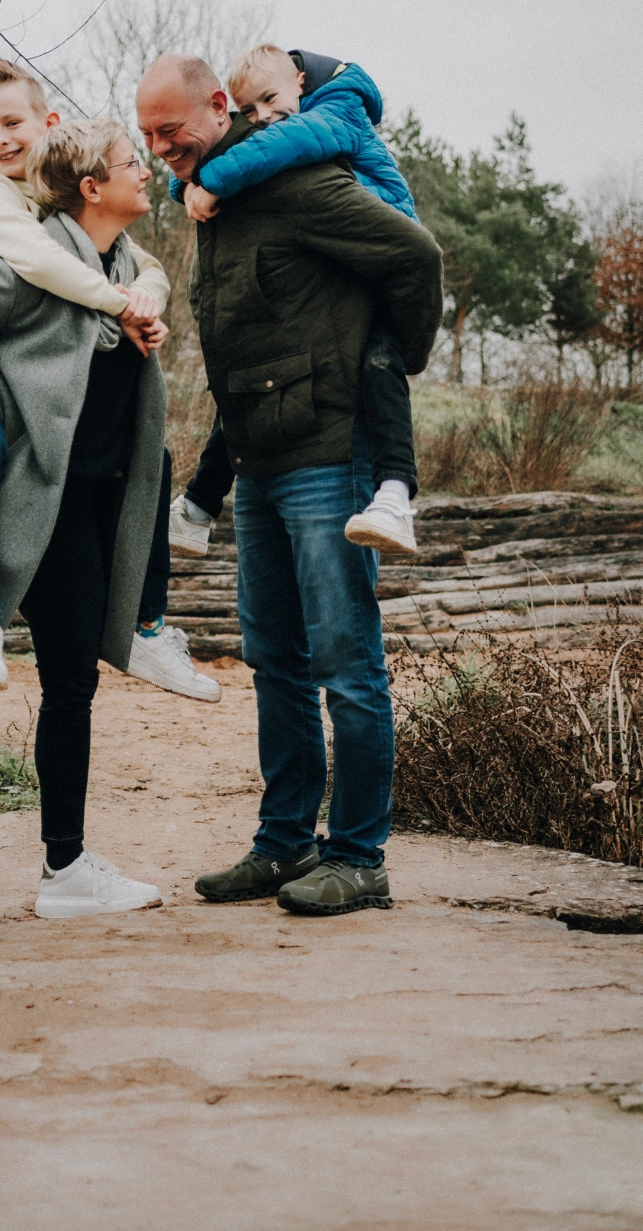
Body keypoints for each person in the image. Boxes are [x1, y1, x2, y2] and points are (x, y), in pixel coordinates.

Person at [0, 118, 204, 942]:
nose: (145, 172)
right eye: (131, 163)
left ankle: (66, 870)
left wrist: (152, 299)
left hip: (79, 517)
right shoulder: (21, 269)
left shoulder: (127, 269)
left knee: (72, 687)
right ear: (91, 189)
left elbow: (150, 290)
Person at [137, 54, 443, 917]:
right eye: (149, 135)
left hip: (330, 455)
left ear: (220, 107)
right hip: (261, 470)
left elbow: (414, 257)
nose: (163, 147)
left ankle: (360, 858)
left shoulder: (305, 178)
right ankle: (283, 846)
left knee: (347, 666)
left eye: (174, 129)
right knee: (275, 662)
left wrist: (390, 360)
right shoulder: (215, 204)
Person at [0, 56, 219, 704]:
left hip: (23, 380)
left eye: (14, 123)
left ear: (47, 123)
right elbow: (39, 262)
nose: (1, 139)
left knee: (155, 453)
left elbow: (142, 262)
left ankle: (146, 624)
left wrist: (142, 294)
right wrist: (122, 304)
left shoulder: (48, 194)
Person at [167, 45, 420, 563]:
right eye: (248, 110)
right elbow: (223, 161)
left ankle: (396, 494)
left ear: (301, 82)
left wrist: (208, 180)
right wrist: (185, 178)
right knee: (246, 387)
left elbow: (284, 143)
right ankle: (198, 502)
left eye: (270, 99)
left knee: (378, 365)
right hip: (338, 272)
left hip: (375, 266)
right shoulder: (291, 122)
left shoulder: (338, 109)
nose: (262, 118)